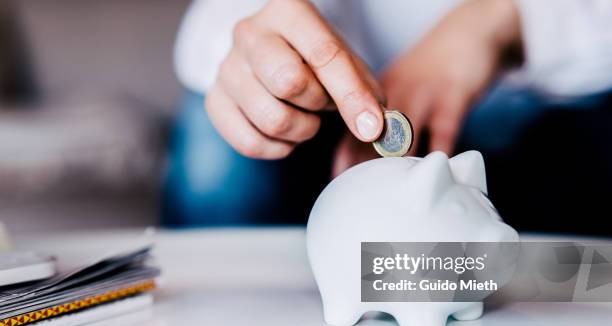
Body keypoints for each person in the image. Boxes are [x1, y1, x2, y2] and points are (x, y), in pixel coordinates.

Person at [163, 0, 612, 233]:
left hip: (559, 93)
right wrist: (261, 39)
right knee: (221, 153)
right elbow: (228, 20)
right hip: (333, 111)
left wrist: (503, 16)